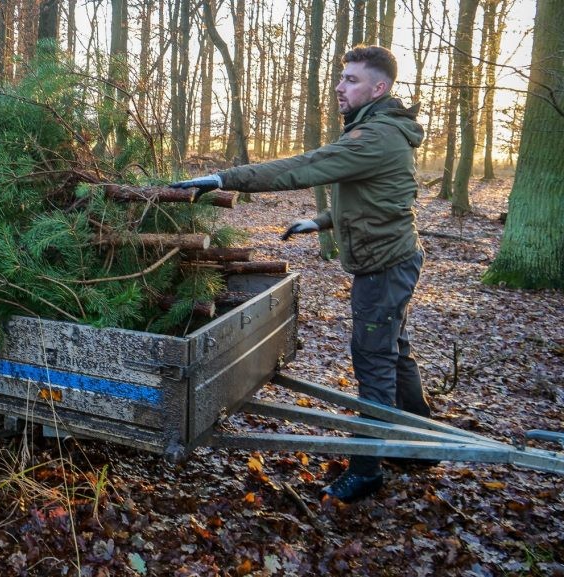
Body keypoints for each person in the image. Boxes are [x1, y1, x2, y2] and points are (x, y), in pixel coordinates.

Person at [171, 45, 431, 503]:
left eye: (351, 79)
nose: (339, 85)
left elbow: (306, 167)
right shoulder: (382, 131)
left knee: (374, 360)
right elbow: (382, 199)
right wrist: (322, 221)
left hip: (384, 269)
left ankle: (369, 468)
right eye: (340, 76)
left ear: (379, 87)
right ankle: (419, 442)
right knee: (395, 352)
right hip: (393, 260)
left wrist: (224, 178)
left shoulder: (375, 136)